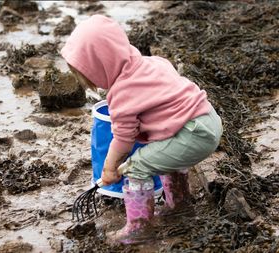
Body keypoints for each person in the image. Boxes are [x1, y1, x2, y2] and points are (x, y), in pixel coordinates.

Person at [61, 15, 223, 244]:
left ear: (101, 65)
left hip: (193, 134)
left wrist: (109, 169)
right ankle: (180, 207)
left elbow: (123, 140)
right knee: (164, 153)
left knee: (136, 167)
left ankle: (139, 228)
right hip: (207, 119)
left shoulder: (122, 92)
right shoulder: (154, 62)